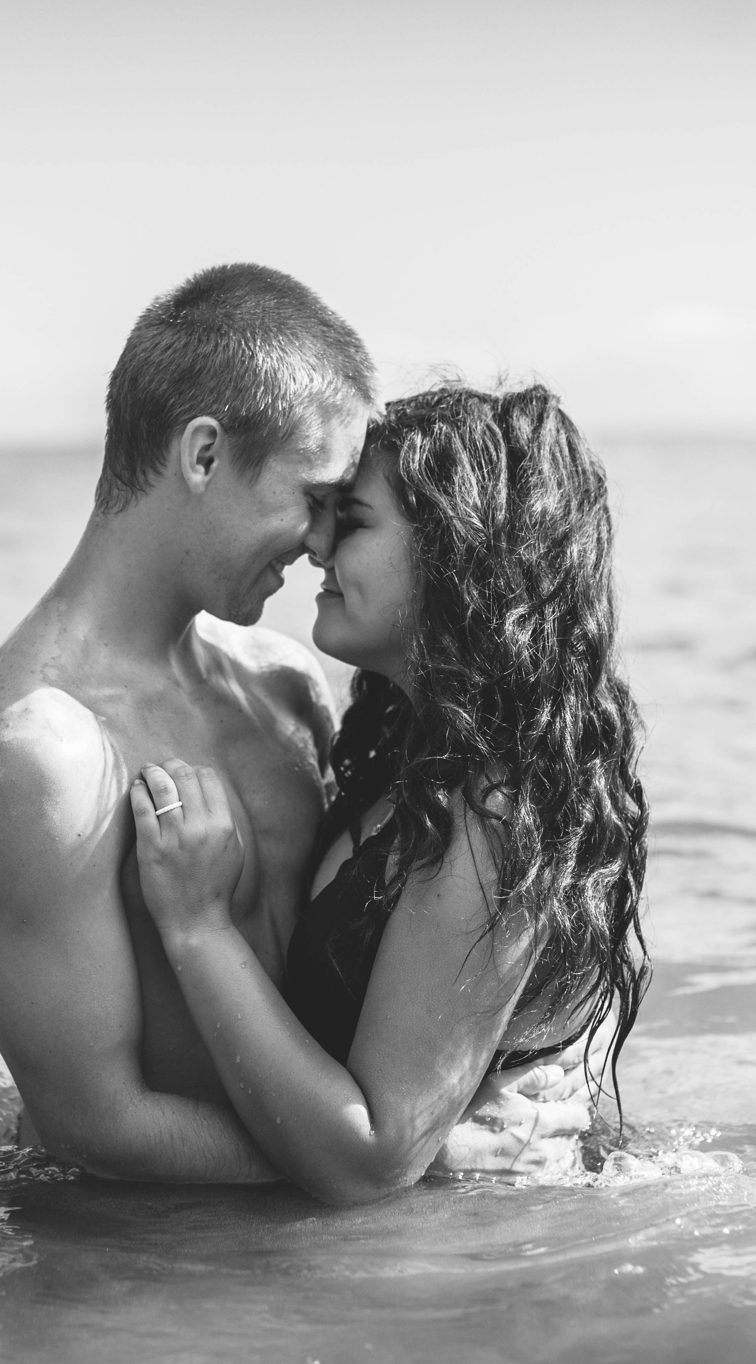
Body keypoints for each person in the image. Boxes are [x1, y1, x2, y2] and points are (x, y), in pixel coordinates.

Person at [0, 266, 582, 1185]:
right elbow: (93, 1127)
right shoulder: (41, 756)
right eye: (314, 496)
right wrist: (405, 1154)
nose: (321, 541)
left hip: (330, 1271)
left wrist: (476, 1079)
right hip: (155, 1286)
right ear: (203, 456)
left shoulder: (285, 685)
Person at [128, 383, 650, 1204]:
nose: (317, 543)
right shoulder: (402, 749)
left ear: (458, 554)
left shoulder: (497, 811)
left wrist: (195, 926)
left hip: (472, 1280)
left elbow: (372, 1159)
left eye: (356, 520)